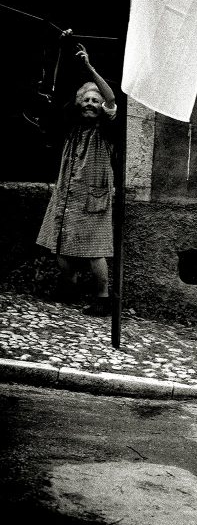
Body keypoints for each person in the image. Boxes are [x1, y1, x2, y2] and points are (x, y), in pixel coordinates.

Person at [37, 33, 117, 316]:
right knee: (58, 243)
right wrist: (62, 48)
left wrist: (90, 68)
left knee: (96, 250)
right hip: (67, 194)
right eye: (86, 99)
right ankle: (68, 286)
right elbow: (61, 98)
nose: (91, 104)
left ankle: (103, 297)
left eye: (95, 100)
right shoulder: (72, 125)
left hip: (93, 196)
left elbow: (111, 98)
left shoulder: (106, 130)